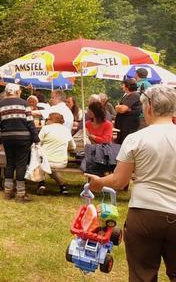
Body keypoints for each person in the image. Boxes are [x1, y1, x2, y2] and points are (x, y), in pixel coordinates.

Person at [85, 85, 176, 282]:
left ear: (149, 107)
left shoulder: (136, 139)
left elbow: (119, 180)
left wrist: (99, 181)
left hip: (144, 213)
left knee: (141, 274)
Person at [0, 83, 39, 202]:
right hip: (23, 138)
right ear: (17, 92)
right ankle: (21, 193)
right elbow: (30, 123)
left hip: (7, 138)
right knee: (21, 164)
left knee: (10, 163)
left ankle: (8, 191)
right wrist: (36, 139)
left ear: (7, 92)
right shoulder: (24, 104)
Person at [36, 113, 75, 195]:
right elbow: (73, 147)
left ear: (51, 120)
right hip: (61, 162)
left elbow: (37, 143)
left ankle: (41, 183)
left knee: (38, 160)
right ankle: (63, 187)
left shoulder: (45, 128)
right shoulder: (66, 130)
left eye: (47, 119)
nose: (46, 121)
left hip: (46, 161)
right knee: (50, 167)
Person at [115, 78, 142, 145]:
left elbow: (122, 109)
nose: (122, 86)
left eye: (123, 85)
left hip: (129, 127)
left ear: (127, 86)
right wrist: (119, 107)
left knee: (126, 144)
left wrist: (119, 107)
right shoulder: (127, 95)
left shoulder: (134, 95)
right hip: (123, 126)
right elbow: (119, 108)